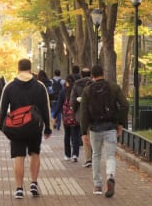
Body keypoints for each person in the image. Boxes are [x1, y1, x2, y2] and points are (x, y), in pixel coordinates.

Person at [0, 58, 52, 199]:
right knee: (35, 153)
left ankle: (19, 188)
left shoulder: (9, 86)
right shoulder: (40, 86)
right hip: (34, 126)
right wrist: (48, 127)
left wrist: (3, 127)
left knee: (19, 156)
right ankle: (34, 183)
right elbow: (46, 108)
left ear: (18, 68)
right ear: (30, 68)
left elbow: (3, 108)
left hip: (17, 127)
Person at [79, 65, 128, 198]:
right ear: (103, 74)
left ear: (92, 76)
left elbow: (83, 113)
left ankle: (97, 185)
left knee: (96, 155)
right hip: (110, 126)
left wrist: (84, 132)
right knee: (110, 156)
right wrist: (121, 124)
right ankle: (110, 176)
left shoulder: (87, 90)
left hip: (95, 128)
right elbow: (124, 105)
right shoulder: (113, 87)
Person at [52, 74, 80, 162]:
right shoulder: (77, 91)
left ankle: (67, 155)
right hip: (75, 117)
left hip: (66, 117)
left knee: (67, 135)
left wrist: (55, 116)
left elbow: (59, 104)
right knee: (75, 136)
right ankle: (75, 154)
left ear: (66, 82)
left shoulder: (63, 91)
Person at [71, 67, 94, 167]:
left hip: (81, 113)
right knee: (92, 135)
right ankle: (93, 156)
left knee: (85, 135)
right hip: (94, 113)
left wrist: (75, 109)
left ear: (81, 75)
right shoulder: (94, 84)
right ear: (90, 75)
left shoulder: (76, 84)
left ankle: (88, 158)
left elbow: (73, 100)